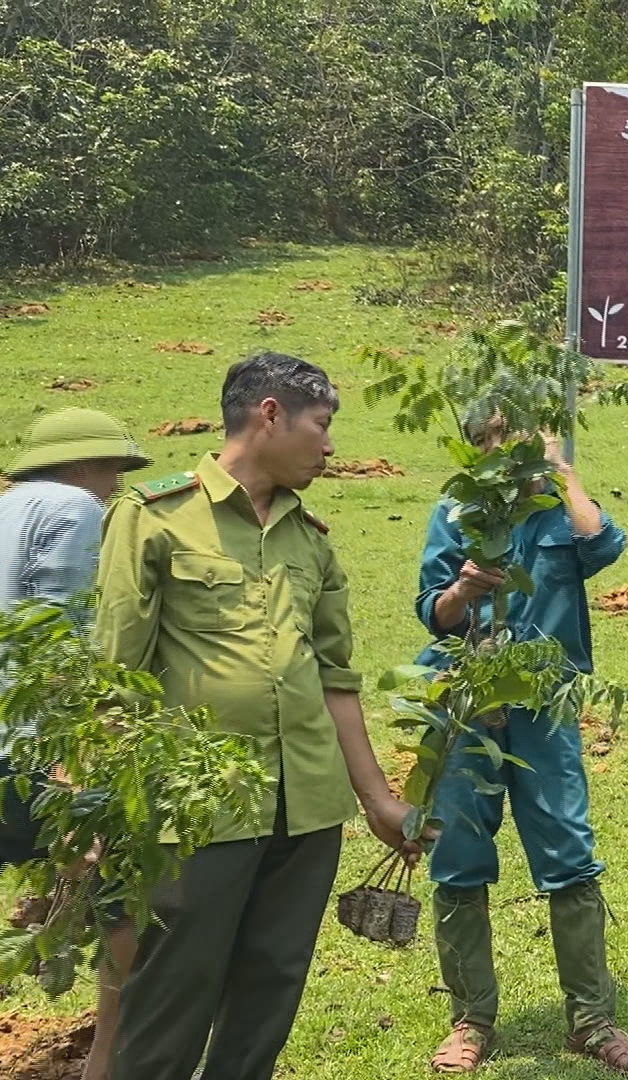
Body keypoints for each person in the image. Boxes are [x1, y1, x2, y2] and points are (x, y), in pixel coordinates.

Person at [94, 353, 422, 1080]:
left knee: (268, 999)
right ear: (269, 413)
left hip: (305, 812)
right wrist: (101, 812)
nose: (331, 445)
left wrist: (377, 803)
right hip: (197, 811)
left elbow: (336, 681)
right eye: (322, 424)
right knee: (170, 999)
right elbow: (116, 674)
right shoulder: (152, 517)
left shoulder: (311, 540)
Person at [414, 423, 628, 1074]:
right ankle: (470, 1021)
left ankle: (592, 1021)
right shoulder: (453, 512)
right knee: (458, 857)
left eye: (521, 442)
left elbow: (605, 544)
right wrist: (463, 589)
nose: (507, 457)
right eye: (493, 443)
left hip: (544, 710)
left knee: (569, 853)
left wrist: (563, 473)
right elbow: (432, 612)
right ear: (472, 447)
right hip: (469, 707)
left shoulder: (557, 514)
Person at [0, 408, 150, 1080]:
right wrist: (73, 755)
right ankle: (105, 1062)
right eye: (114, 469)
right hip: (31, 739)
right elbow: (62, 625)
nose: (118, 484)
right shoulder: (77, 508)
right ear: (87, 463)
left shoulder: (8, 507)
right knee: (122, 896)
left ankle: (44, 913)